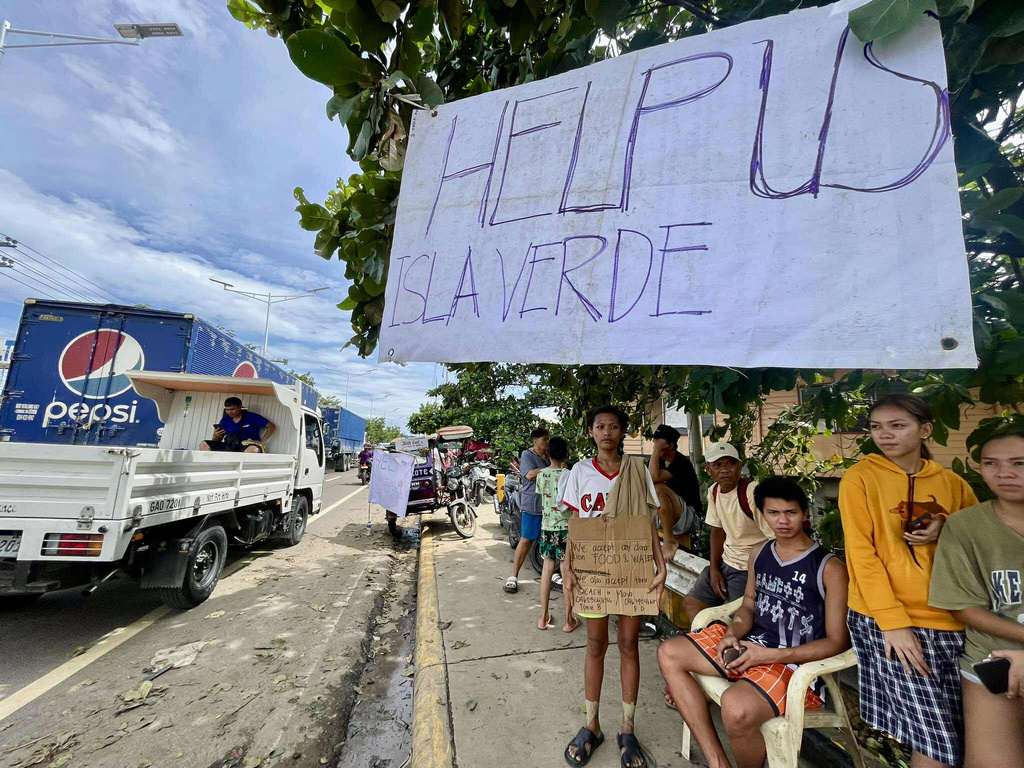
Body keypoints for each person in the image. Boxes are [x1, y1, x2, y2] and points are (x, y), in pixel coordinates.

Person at [659, 476, 850, 768]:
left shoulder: (828, 568)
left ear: (804, 513)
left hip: (796, 667)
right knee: (669, 653)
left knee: (737, 711)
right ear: (763, 515)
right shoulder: (759, 554)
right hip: (753, 646)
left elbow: (838, 641)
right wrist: (732, 633)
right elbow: (749, 604)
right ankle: (717, 761)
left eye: (791, 512)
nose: (782, 521)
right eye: (773, 513)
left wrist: (769, 655)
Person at [840, 393, 978, 768]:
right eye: (876, 427)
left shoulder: (951, 483)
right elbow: (861, 553)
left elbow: (974, 540)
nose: (885, 435)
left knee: (956, 729)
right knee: (936, 740)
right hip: (886, 620)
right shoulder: (860, 478)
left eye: (897, 425)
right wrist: (893, 623)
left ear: (925, 429)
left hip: (951, 618)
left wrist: (943, 527)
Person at [562, 405, 667, 768]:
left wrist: (661, 563)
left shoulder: (637, 471)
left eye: (613, 426)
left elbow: (648, 523)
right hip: (592, 572)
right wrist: (567, 566)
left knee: (627, 644)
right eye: (600, 426)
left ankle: (627, 727)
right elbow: (576, 524)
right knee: (594, 643)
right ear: (590, 432)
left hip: (633, 570)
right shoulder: (579, 472)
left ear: (623, 431)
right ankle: (591, 724)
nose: (607, 432)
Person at [928, 430, 1024, 767]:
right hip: (991, 660)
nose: (1004, 473)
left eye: (1019, 463)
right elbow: (962, 607)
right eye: (991, 464)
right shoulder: (965, 526)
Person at [683, 442, 774, 622]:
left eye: (730, 464)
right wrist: (714, 569)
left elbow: (775, 537)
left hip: (748, 568)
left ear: (740, 467)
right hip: (727, 562)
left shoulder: (752, 492)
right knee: (693, 602)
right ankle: (712, 646)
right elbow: (717, 531)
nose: (725, 470)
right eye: (718, 465)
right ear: (708, 470)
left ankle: (726, 646)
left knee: (736, 619)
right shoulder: (714, 491)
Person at [535, 436, 577, 633]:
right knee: (567, 573)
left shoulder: (542, 475)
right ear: (566, 453)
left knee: (546, 572)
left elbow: (543, 497)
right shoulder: (570, 475)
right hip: (567, 531)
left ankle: (543, 617)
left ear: (547, 453)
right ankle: (569, 621)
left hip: (547, 528)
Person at [504, 426, 550, 594]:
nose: (547, 443)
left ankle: (550, 575)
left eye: (547, 439)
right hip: (533, 504)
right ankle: (513, 576)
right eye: (544, 440)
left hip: (550, 506)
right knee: (526, 539)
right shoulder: (527, 455)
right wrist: (551, 469)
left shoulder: (548, 457)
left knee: (550, 540)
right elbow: (529, 475)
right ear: (535, 441)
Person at [647, 423, 703, 560]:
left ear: (670, 446)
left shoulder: (681, 463)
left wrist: (656, 450)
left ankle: (669, 540)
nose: (655, 445)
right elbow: (647, 481)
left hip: (689, 516)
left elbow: (654, 478)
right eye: (654, 442)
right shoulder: (658, 462)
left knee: (659, 488)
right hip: (669, 515)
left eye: (658, 443)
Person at [200, 397, 276, 453]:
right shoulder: (224, 421)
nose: (229, 412)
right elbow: (217, 441)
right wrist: (216, 435)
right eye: (227, 409)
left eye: (232, 409)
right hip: (230, 446)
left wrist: (262, 441)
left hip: (247, 446)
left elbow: (271, 426)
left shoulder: (252, 417)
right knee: (204, 444)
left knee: (252, 449)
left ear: (240, 407)